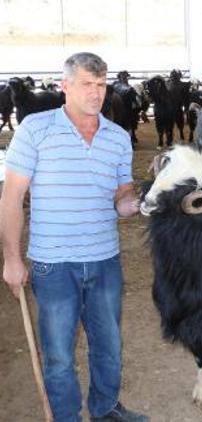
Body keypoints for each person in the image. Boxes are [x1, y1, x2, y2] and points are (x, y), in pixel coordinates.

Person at [1, 53, 148, 421]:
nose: (96, 93)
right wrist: (13, 259)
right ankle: (67, 416)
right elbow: (12, 197)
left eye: (101, 85)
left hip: (104, 260)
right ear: (64, 85)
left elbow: (121, 196)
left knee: (109, 346)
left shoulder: (117, 138)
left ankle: (106, 408)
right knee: (58, 354)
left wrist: (134, 204)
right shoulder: (35, 129)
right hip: (53, 264)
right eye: (87, 84)